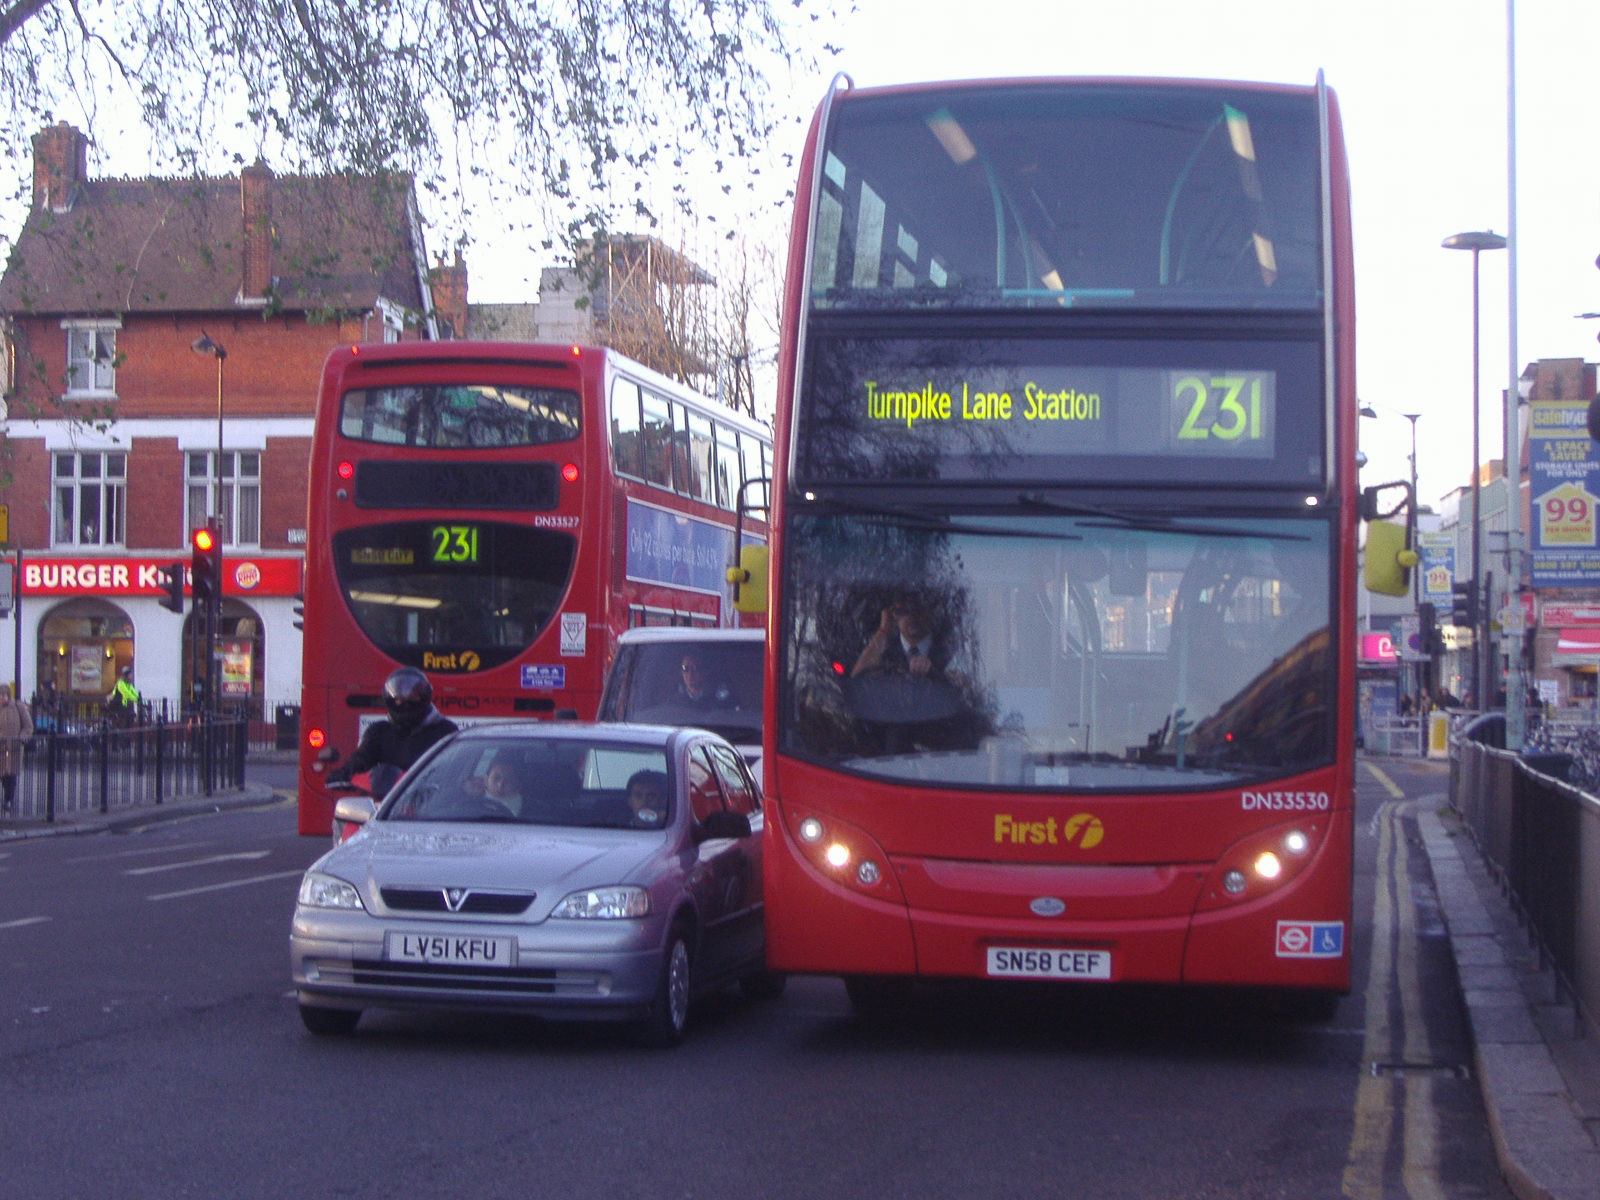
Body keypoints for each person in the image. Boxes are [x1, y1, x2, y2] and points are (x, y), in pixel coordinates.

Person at [328, 667, 457, 786]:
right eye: (398, 697)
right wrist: (342, 775)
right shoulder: (379, 732)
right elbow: (360, 760)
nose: (405, 701)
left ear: (425, 696)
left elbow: (456, 771)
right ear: (388, 698)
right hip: (389, 803)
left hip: (432, 803)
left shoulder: (445, 731)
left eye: (413, 696)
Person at [0, 685, 32, 814]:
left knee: (11, 775)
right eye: (0, 695)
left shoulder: (18, 707)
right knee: (2, 774)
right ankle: (7, 798)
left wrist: (22, 738)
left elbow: (28, 726)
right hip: (1, 747)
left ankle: (9, 800)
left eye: (4, 695)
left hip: (14, 747)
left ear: (8, 695)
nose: (2, 698)